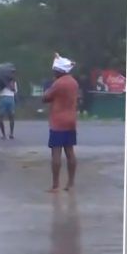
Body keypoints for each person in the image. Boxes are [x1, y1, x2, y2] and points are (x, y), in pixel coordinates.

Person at [42, 53, 79, 192]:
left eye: (54, 70)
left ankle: (55, 185)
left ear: (58, 71)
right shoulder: (74, 82)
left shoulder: (58, 83)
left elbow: (46, 98)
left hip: (58, 122)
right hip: (71, 121)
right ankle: (70, 183)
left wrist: (48, 88)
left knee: (56, 154)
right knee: (70, 152)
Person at [0, 71, 18, 140]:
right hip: (3, 98)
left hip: (10, 98)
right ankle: (4, 134)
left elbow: (15, 91)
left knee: (11, 116)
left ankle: (11, 134)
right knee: (0, 117)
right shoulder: (0, 82)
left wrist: (10, 85)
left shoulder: (13, 82)